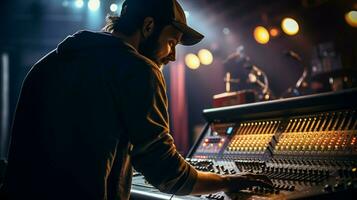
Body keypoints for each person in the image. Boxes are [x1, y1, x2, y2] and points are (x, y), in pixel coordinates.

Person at [1, 0, 272, 199]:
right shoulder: (139, 69)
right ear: (149, 26)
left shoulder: (49, 63)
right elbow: (167, 173)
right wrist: (225, 182)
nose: (172, 55)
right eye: (172, 42)